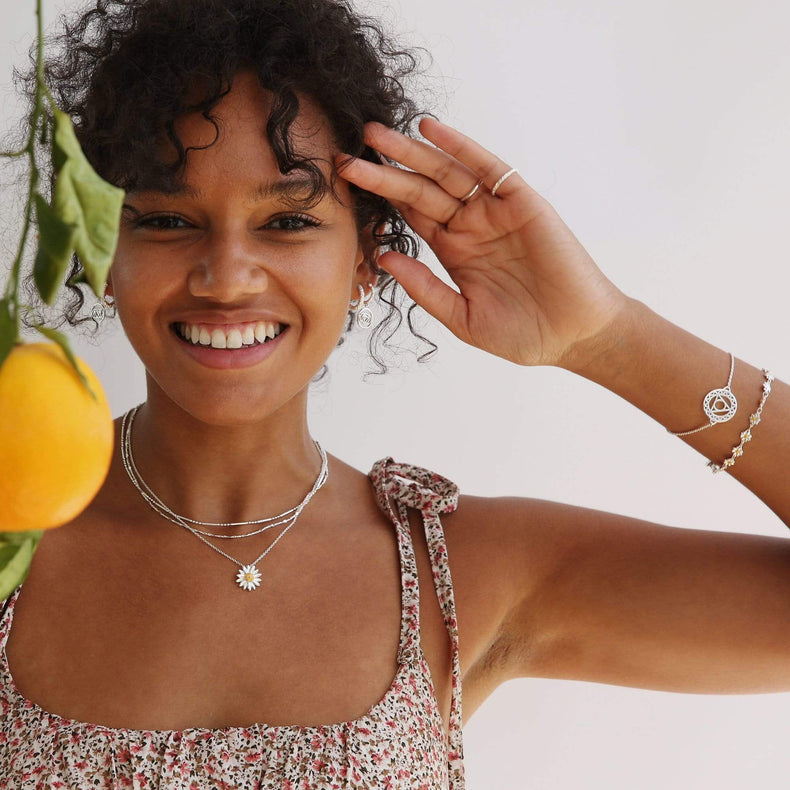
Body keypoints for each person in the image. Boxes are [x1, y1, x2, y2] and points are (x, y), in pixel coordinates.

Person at [1, 0, 789, 787]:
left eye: (288, 223)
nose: (228, 276)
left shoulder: (464, 571)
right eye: (170, 219)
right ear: (103, 244)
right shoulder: (11, 541)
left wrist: (607, 337)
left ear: (367, 260)